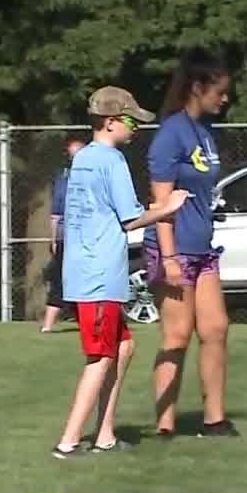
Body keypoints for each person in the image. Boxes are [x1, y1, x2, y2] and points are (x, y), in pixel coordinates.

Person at [52, 86, 189, 459]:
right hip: (98, 275)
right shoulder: (111, 162)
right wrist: (168, 206)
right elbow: (131, 219)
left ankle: (105, 435)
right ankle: (68, 442)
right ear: (110, 122)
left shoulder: (83, 158)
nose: (136, 128)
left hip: (85, 270)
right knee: (99, 357)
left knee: (124, 346)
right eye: (131, 121)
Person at [145, 48, 238, 439]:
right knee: (177, 335)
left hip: (203, 250)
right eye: (219, 91)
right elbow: (161, 204)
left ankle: (214, 420)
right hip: (173, 248)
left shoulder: (205, 132)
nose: (225, 98)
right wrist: (168, 259)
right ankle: (165, 425)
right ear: (197, 88)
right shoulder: (170, 134)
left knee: (216, 328)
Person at [41, 138, 85, 333]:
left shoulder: (95, 177)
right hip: (69, 235)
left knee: (85, 279)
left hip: (90, 236)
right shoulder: (64, 179)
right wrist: (54, 239)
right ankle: (48, 325)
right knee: (60, 277)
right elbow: (56, 213)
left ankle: (87, 322)